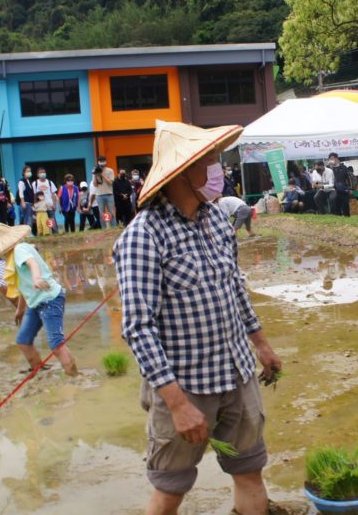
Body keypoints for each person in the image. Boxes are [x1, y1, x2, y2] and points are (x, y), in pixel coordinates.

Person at [113, 121, 282, 515]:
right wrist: (176, 403)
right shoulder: (144, 236)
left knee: (250, 471)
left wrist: (261, 345)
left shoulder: (216, 221)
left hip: (238, 374)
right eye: (209, 161)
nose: (216, 169)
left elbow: (235, 289)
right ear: (182, 172)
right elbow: (138, 328)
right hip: (186, 387)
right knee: (172, 488)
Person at [0, 223, 78, 376]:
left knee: (56, 344)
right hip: (34, 302)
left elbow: (32, 263)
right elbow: (23, 286)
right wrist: (20, 309)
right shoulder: (11, 259)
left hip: (49, 299)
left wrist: (36, 278)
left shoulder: (19, 249)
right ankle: (38, 371)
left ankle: (74, 377)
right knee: (23, 340)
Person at [33, 168, 58, 234]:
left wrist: (54, 205)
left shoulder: (50, 182)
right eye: (41, 172)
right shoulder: (35, 183)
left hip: (50, 205)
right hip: (40, 207)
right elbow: (34, 196)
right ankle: (44, 234)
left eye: (44, 172)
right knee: (41, 221)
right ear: (38, 174)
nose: (43, 174)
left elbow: (53, 194)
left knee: (52, 219)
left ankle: (55, 233)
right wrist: (35, 205)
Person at [93, 155, 116, 228]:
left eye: (103, 161)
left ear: (105, 162)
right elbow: (95, 184)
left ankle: (114, 227)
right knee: (101, 213)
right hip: (99, 195)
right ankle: (103, 228)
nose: (102, 163)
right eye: (100, 161)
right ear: (98, 162)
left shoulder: (110, 170)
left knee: (111, 212)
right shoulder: (95, 171)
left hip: (109, 194)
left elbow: (110, 182)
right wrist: (95, 175)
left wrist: (102, 174)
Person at [18, 166, 37, 235]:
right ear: (24, 173)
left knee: (30, 218)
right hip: (25, 202)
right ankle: (27, 234)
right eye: (27, 171)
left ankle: (29, 232)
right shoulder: (21, 181)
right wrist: (23, 202)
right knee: (27, 218)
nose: (29, 173)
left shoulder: (29, 181)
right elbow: (21, 192)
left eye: (30, 171)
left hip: (30, 202)